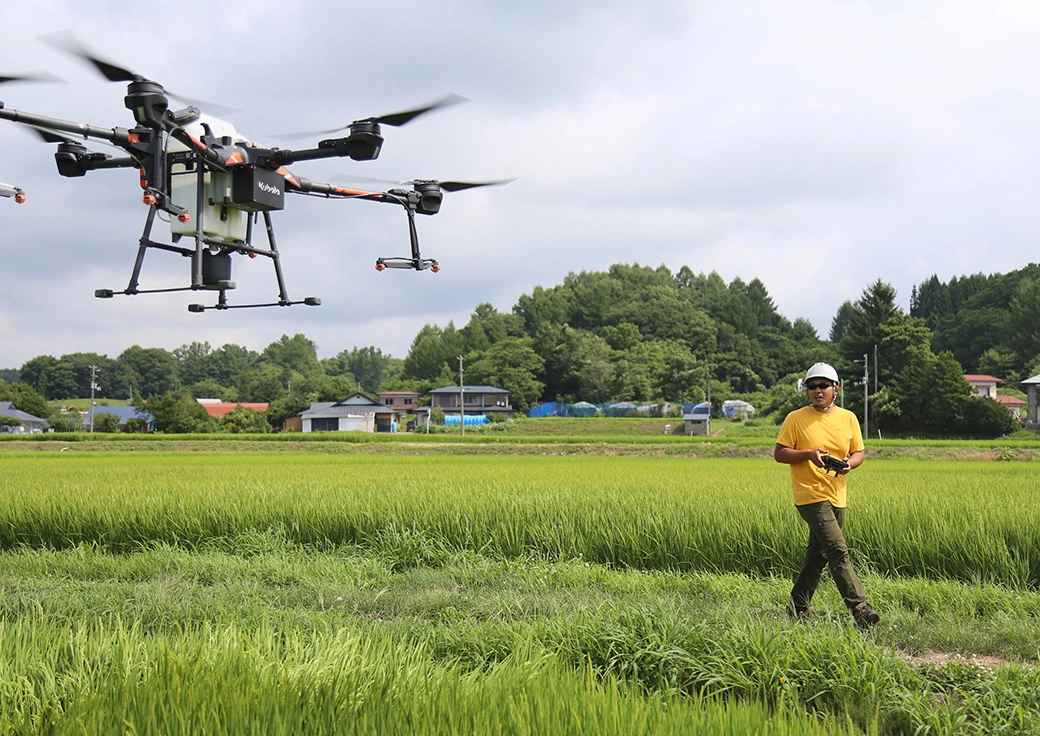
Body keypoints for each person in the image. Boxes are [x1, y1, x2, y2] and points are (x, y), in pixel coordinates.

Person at [774, 362, 880, 628]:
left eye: (823, 386)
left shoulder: (848, 418)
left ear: (836, 388)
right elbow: (780, 453)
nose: (817, 391)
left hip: (837, 494)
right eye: (812, 387)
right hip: (809, 495)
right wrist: (809, 455)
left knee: (818, 554)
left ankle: (797, 606)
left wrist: (849, 464)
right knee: (836, 549)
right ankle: (860, 608)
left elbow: (859, 452)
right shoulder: (795, 419)